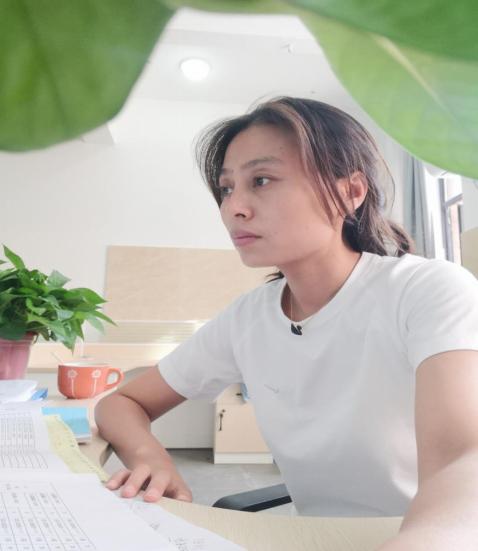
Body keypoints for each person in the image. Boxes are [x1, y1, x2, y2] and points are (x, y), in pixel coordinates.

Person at [95, 97, 478, 540]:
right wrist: (151, 458)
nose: (234, 207)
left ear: (350, 192)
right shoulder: (248, 317)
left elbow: (464, 459)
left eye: (261, 180)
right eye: (226, 188)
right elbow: (121, 403)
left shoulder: (427, 289)